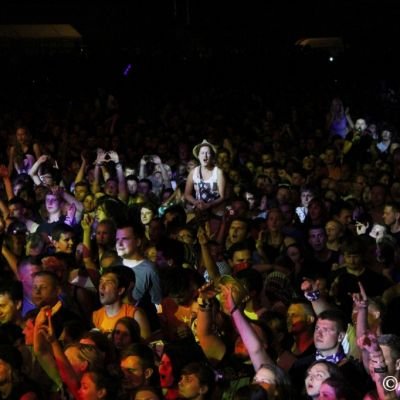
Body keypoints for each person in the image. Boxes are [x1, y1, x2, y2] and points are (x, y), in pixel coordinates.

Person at [184, 139, 226, 217]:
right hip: (200, 211)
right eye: (202, 153)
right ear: (198, 156)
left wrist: (209, 205)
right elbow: (187, 194)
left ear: (212, 156)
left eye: (208, 153)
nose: (205, 156)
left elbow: (222, 196)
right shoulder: (193, 172)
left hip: (216, 212)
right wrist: (196, 202)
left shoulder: (218, 172)